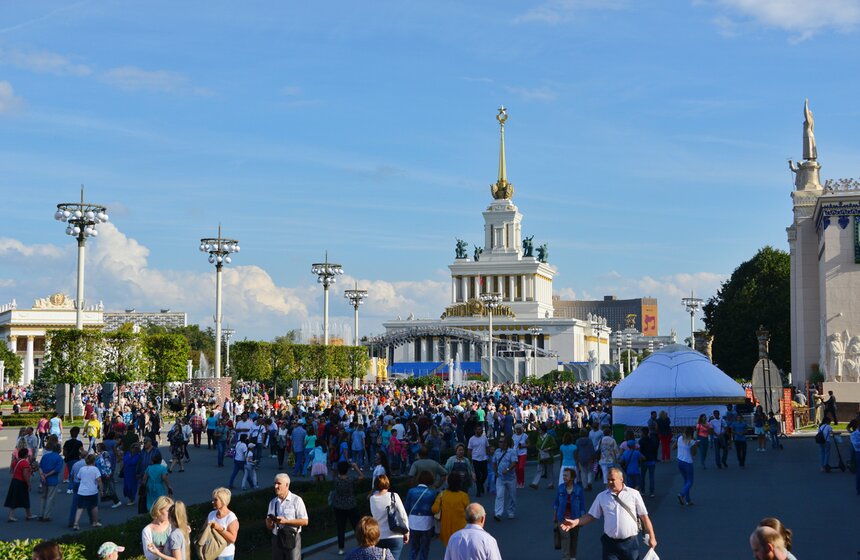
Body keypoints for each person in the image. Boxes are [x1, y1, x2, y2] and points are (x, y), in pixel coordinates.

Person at [560, 467, 657, 560]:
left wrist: (652, 537)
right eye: (608, 479)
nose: (610, 482)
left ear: (621, 479)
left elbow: (644, 517)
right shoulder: (602, 496)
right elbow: (591, 516)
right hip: (610, 545)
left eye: (613, 479)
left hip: (630, 544)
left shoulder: (634, 494)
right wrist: (576, 522)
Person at [266, 473, 309, 560]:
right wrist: (269, 522)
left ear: (287, 485)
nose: (276, 486)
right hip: (277, 537)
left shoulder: (296, 500)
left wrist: (286, 522)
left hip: (292, 537)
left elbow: (305, 521)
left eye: (279, 483)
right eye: (275, 483)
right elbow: (270, 527)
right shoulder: (273, 502)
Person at [369, 474, 409, 560]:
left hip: (379, 536)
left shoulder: (372, 499)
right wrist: (406, 533)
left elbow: (374, 516)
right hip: (395, 535)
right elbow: (403, 515)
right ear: (387, 483)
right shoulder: (394, 496)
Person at [332, 461, 364, 555]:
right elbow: (361, 477)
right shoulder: (351, 479)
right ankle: (361, 543)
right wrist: (356, 467)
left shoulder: (336, 480)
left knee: (340, 527)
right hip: (351, 505)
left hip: (338, 505)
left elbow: (334, 472)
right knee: (356, 526)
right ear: (347, 470)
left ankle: (341, 548)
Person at [553, 468, 585, 560]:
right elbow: (556, 504)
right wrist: (555, 517)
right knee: (565, 538)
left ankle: (573, 557)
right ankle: (566, 557)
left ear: (572, 478)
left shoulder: (578, 489)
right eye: (563, 475)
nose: (564, 477)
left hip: (575, 519)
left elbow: (582, 506)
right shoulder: (561, 488)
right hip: (562, 519)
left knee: (574, 538)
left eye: (566, 475)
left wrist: (582, 519)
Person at [405, 470, 437, 560]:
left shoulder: (411, 491)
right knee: (425, 548)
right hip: (427, 522)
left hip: (413, 521)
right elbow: (434, 509)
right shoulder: (432, 493)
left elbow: (406, 507)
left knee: (413, 548)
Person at [431, 471, 469, 546]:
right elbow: (468, 511)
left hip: (446, 527)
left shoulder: (442, 495)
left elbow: (434, 509)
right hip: (461, 527)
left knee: (449, 547)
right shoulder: (464, 496)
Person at [72, 453, 103, 530]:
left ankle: (76, 523)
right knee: (94, 506)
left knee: (80, 507)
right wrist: (101, 490)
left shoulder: (82, 469)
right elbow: (99, 480)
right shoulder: (95, 469)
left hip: (82, 491)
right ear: (94, 461)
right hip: (92, 491)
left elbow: (78, 477)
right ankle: (95, 521)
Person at [208, 487, 239, 560]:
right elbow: (204, 531)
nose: (212, 502)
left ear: (223, 501)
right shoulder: (211, 514)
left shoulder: (231, 517)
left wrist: (220, 529)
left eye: (215, 500)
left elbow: (232, 539)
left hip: (225, 555)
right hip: (211, 553)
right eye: (213, 499)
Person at [5, 447, 35, 521]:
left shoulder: (16, 462)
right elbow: (25, 474)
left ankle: (28, 514)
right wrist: (29, 484)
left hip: (14, 481)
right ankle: (12, 516)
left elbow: (15, 468)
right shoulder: (24, 463)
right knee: (22, 498)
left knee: (19, 498)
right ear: (25, 455)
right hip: (21, 482)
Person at [492, 436, 517, 521]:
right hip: (500, 478)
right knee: (499, 495)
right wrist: (495, 472)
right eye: (500, 442)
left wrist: (508, 469)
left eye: (502, 442)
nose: (500, 443)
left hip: (511, 478)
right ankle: (498, 513)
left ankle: (511, 511)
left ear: (506, 443)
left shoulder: (512, 451)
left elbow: (514, 462)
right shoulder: (497, 451)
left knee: (512, 496)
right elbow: (494, 462)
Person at [39, 441, 64, 521]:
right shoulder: (59, 458)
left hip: (43, 479)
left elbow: (40, 467)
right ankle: (46, 515)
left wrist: (42, 475)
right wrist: (47, 475)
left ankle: (41, 514)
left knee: (43, 497)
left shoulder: (45, 456)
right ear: (59, 450)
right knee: (50, 498)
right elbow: (56, 470)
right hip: (52, 480)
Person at [142, 496, 174, 560]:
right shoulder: (147, 530)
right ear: (158, 510)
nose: (171, 513)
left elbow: (182, 546)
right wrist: (158, 552)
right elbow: (148, 556)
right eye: (168, 511)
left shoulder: (173, 525)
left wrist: (186, 535)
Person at [674, 426, 697, 506]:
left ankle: (688, 500)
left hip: (679, 461)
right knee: (690, 481)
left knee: (686, 481)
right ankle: (681, 494)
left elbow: (673, 447)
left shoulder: (680, 438)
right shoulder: (692, 442)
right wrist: (696, 445)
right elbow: (694, 453)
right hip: (687, 462)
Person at [531, 423, 556, 490]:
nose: (539, 431)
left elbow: (554, 445)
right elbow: (537, 445)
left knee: (549, 470)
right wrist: (538, 449)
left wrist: (548, 449)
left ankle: (551, 484)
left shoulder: (549, 437)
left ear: (543, 430)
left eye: (540, 430)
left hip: (548, 456)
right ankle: (535, 483)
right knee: (539, 469)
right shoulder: (539, 437)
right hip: (541, 456)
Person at [467, 426, 489, 496]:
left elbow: (487, 447)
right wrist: (470, 459)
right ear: (475, 430)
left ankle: (481, 484)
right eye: (478, 429)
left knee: (485, 474)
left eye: (481, 429)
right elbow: (469, 450)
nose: (480, 431)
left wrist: (488, 456)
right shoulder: (472, 439)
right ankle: (478, 490)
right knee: (478, 475)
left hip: (484, 459)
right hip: (475, 459)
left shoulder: (484, 438)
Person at [638, 427, 658, 498]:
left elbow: (640, 451)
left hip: (644, 460)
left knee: (642, 476)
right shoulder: (652, 440)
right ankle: (652, 492)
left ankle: (642, 491)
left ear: (643, 433)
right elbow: (655, 449)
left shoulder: (641, 441)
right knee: (651, 477)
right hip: (652, 460)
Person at [511, 424, 529, 488]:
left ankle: (522, 482)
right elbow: (512, 445)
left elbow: (529, 444)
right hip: (515, 453)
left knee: (521, 468)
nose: (518, 430)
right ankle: (518, 482)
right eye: (516, 429)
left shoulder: (525, 435)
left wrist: (523, 446)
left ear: (521, 429)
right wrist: (511, 451)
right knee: (516, 469)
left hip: (523, 453)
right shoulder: (514, 436)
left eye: (519, 429)